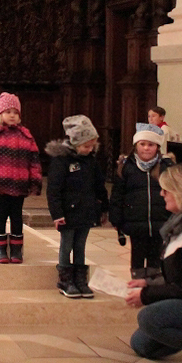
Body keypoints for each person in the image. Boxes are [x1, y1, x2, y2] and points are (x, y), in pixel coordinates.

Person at [127, 164, 182, 363]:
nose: (161, 193)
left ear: (180, 192)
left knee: (150, 318)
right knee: (141, 344)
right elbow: (177, 275)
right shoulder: (177, 225)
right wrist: (148, 282)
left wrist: (146, 295)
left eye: (166, 189)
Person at [45, 115, 108, 299]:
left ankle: (80, 280)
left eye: (92, 146)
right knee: (67, 246)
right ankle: (65, 280)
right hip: (67, 212)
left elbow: (99, 185)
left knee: (80, 246)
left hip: (86, 211)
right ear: (74, 143)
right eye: (85, 146)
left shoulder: (91, 161)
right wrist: (57, 214)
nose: (89, 150)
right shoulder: (61, 161)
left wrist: (103, 207)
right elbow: (54, 190)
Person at [0, 92, 42, 264]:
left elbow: (34, 161)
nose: (12, 115)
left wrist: (34, 182)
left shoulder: (26, 135)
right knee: (0, 215)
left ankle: (16, 248)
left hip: (20, 185)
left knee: (17, 217)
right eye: (8, 112)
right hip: (0, 185)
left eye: (15, 112)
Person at [110, 123, 173, 279]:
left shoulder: (166, 167)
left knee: (156, 257)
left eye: (151, 145)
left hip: (160, 221)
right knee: (137, 256)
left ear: (157, 147)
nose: (146, 148)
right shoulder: (127, 167)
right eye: (142, 144)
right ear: (136, 145)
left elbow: (174, 193)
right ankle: (138, 283)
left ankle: (153, 286)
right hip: (135, 222)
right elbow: (117, 195)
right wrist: (116, 218)